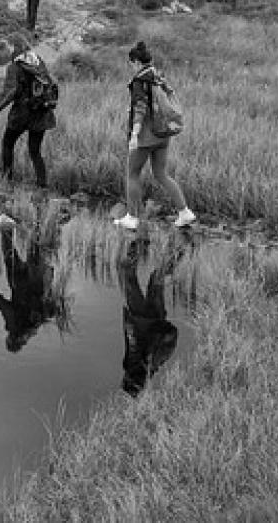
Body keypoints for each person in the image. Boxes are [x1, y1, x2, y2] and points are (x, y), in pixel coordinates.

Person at [113, 41, 196, 231]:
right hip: (163, 134)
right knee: (161, 174)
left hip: (145, 137)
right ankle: (184, 213)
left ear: (135, 62)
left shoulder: (139, 81)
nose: (130, 67)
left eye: (130, 63)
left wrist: (134, 135)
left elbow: (140, 109)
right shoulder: (158, 76)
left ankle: (132, 218)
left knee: (132, 174)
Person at [0, 33, 56, 188]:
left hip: (22, 113)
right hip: (42, 111)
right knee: (35, 151)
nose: (7, 50)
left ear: (15, 47)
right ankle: (42, 185)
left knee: (8, 143)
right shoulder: (38, 61)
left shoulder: (14, 66)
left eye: (8, 47)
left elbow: (9, 93)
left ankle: (7, 179)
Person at [0, 220, 58, 353]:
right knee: (9, 252)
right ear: (11, 338)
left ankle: (39, 217)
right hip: (21, 281)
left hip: (36, 280)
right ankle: (8, 223)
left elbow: (51, 308)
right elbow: (3, 304)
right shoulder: (15, 326)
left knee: (35, 249)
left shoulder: (35, 326)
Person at [118, 238, 179, 396]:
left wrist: (128, 321)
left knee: (151, 278)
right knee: (137, 276)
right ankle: (176, 251)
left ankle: (142, 245)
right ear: (131, 380)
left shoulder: (142, 365)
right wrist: (130, 323)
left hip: (146, 317)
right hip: (146, 318)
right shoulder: (145, 364)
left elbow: (131, 341)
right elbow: (172, 335)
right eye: (125, 380)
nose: (124, 377)